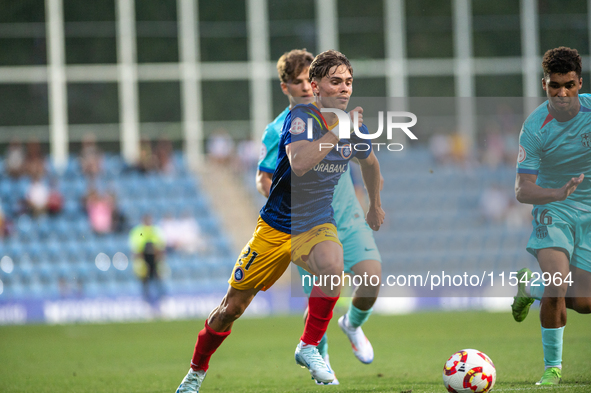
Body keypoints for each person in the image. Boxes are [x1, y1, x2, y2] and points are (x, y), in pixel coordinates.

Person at [175, 49, 384, 392]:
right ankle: (196, 372)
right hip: (275, 226)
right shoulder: (300, 117)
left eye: (348, 82)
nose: (344, 89)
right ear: (316, 88)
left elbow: (371, 164)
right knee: (230, 309)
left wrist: (375, 204)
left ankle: (309, 346)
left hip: (316, 223)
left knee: (334, 266)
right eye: (336, 82)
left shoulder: (353, 127)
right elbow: (300, 163)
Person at [255, 49, 383, 385]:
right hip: (305, 220)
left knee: (371, 278)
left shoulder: (338, 116)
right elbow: (265, 177)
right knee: (324, 286)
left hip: (344, 211)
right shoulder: (282, 127)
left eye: (307, 80)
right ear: (287, 87)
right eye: (297, 82)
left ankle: (352, 324)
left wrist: (370, 201)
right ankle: (319, 354)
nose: (304, 88)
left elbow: (363, 161)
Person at [511, 46, 591, 386]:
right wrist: (557, 193)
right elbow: (522, 190)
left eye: (569, 85)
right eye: (554, 85)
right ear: (544, 84)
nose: (561, 93)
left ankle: (530, 287)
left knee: (585, 302)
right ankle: (552, 368)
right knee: (558, 284)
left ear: (579, 83)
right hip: (553, 208)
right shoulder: (534, 127)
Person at [129, 214, 166, 307]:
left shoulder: (155, 230)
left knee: (157, 278)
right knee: (145, 280)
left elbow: (161, 245)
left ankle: (160, 299)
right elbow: (136, 247)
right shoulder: (139, 231)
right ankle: (147, 299)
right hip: (143, 259)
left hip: (154, 258)